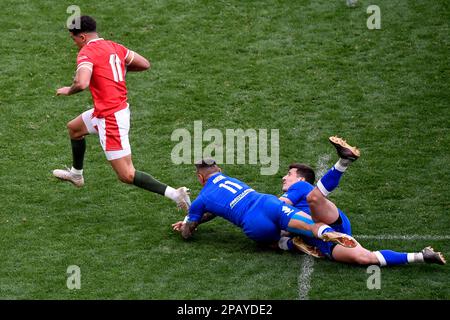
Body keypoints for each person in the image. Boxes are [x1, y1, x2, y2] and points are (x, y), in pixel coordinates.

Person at [53, 16, 190, 210]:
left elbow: (81, 83)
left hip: (110, 118)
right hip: (111, 110)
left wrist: (68, 89)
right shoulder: (115, 47)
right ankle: (76, 174)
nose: (74, 42)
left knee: (126, 174)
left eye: (73, 38)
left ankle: (175, 194)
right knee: (74, 129)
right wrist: (115, 69)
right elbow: (144, 64)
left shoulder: (87, 52)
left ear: (82, 37)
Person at [278, 136, 445, 266]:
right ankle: (422, 256)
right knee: (365, 258)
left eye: (289, 174)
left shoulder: (300, 187)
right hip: (327, 242)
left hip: (327, 223)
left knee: (313, 198)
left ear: (300, 179)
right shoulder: (298, 189)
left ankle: (344, 161)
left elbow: (279, 208)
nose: (284, 177)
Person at [171, 159, 359, 249]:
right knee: (309, 225)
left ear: (199, 177)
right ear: (219, 170)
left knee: (272, 241)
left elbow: (189, 233)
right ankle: (327, 233)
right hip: (267, 202)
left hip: (253, 223)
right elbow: (214, 210)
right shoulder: (231, 179)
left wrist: (187, 225)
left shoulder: (202, 199)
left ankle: (290, 245)